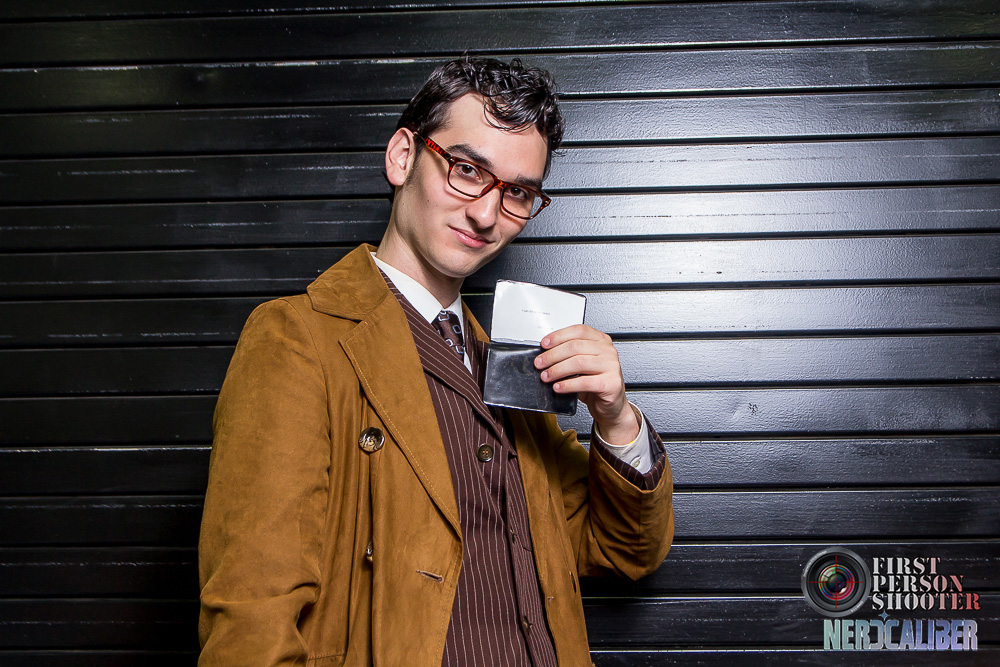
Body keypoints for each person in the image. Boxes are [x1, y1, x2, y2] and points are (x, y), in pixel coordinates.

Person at [198, 56, 673, 667]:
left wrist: (616, 420)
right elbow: (251, 618)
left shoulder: (516, 364)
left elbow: (623, 551)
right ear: (403, 157)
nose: (485, 214)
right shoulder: (297, 339)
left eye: (517, 192)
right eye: (467, 169)